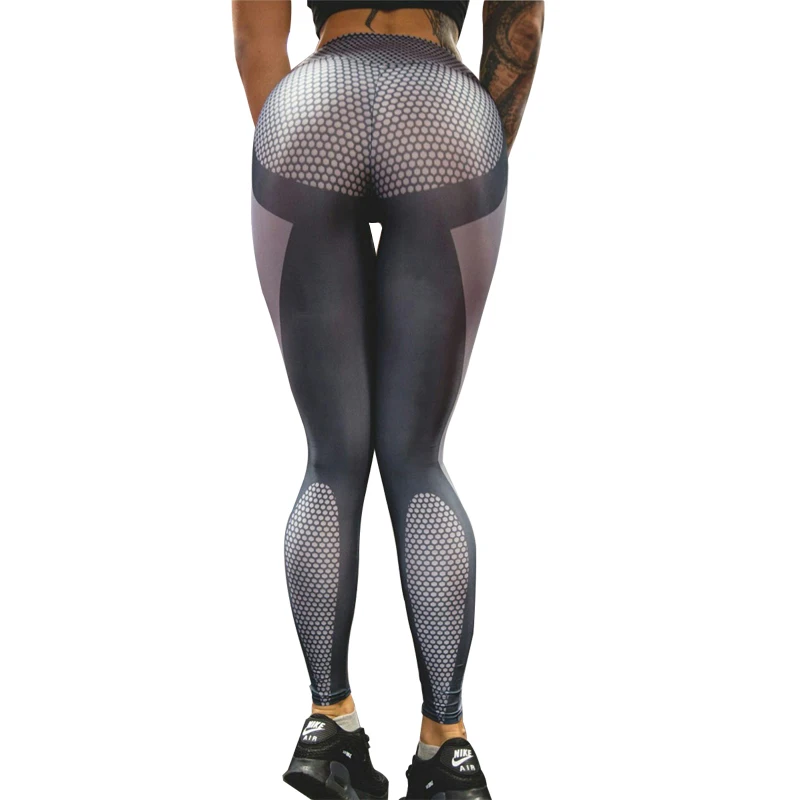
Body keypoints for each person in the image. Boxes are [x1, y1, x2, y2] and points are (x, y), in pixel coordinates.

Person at [233, 2, 544, 797]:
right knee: (416, 456)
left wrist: (300, 161)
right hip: (442, 108)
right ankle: (447, 747)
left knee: (330, 458)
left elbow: (254, 37)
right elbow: (521, 29)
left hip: (313, 108)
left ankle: (327, 725)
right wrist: (465, 155)